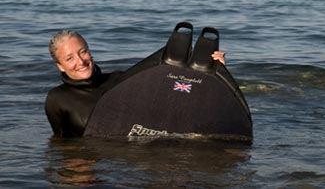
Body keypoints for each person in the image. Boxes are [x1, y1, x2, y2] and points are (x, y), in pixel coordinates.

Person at [45, 30, 226, 137]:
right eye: (69, 58)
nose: (80, 61)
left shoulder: (120, 80)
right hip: (94, 165)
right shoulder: (58, 99)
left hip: (134, 159)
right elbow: (60, 145)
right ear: (60, 65)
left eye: (83, 52)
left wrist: (214, 75)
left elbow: (173, 94)